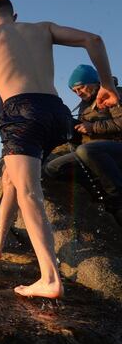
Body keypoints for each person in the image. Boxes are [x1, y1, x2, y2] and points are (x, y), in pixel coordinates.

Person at [0, 0, 119, 299]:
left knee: (30, 192)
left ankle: (50, 277)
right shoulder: (42, 28)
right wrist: (106, 85)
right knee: (10, 176)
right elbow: (92, 39)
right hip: (56, 112)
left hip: (21, 112)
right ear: (14, 16)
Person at [44, 65, 122, 226]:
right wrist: (70, 130)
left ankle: (117, 195)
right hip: (91, 152)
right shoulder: (83, 105)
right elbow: (83, 139)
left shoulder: (114, 93)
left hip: (116, 148)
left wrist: (91, 127)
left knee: (86, 150)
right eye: (74, 91)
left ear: (94, 82)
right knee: (52, 168)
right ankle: (98, 193)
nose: (78, 93)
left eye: (81, 88)